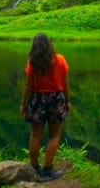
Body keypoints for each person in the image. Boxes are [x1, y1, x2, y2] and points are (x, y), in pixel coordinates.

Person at [20, 33, 70, 181]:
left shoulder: (32, 62)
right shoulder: (60, 59)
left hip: (37, 100)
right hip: (56, 100)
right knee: (54, 135)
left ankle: (35, 169)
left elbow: (28, 86)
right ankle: (48, 169)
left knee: (35, 135)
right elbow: (66, 83)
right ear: (49, 45)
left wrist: (23, 105)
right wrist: (68, 101)